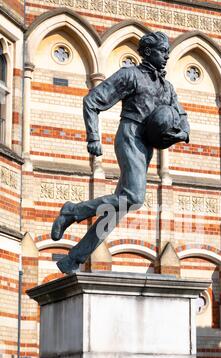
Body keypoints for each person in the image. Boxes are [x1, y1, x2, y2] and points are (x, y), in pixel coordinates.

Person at [51, 31, 190, 273]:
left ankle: (73, 258)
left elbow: (181, 116)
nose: (166, 56)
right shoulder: (131, 75)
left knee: (120, 206)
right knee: (134, 198)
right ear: (147, 53)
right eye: (162, 52)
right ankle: (72, 211)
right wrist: (93, 136)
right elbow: (92, 101)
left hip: (146, 145)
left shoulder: (167, 87)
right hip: (130, 135)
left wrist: (181, 133)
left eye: (167, 52)